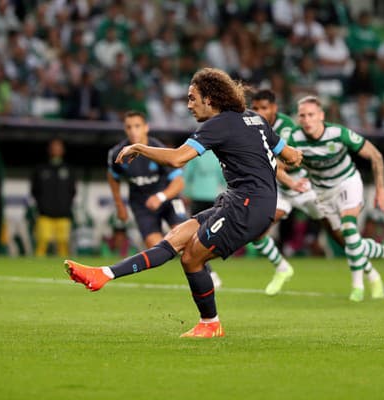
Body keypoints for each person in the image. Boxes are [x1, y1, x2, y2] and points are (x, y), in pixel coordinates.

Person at [65, 68, 302, 338]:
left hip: (248, 206)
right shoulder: (255, 119)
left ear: (210, 99)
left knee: (191, 258)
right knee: (174, 238)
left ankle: (210, 324)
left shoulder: (218, 124)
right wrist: (299, 157)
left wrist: (140, 147)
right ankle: (103, 274)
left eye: (192, 98)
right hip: (242, 201)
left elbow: (178, 158)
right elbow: (292, 156)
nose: (189, 105)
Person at [289, 96, 384, 302]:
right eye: (302, 115)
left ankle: (357, 286)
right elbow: (281, 162)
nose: (306, 119)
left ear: (321, 116)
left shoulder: (338, 134)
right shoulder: (294, 138)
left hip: (346, 183)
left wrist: (381, 190)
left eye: (311, 114)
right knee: (350, 242)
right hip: (321, 192)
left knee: (349, 229)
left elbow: (375, 155)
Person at [107, 110, 222, 288]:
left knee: (186, 236)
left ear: (146, 128)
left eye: (137, 126)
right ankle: (192, 267)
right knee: (155, 245)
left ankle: (208, 272)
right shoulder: (117, 153)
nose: (133, 131)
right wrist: (119, 204)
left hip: (168, 200)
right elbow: (112, 176)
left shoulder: (158, 150)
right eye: (129, 127)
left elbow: (178, 182)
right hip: (142, 205)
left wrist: (160, 197)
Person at [249, 89, 327, 295]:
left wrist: (291, 181)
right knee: (256, 231)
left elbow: (284, 161)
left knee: (337, 228)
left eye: (263, 108)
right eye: (254, 108)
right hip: (281, 190)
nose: (258, 112)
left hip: (303, 186)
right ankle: (282, 268)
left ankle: (373, 265)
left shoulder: (287, 127)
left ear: (274, 108)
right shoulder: (251, 126)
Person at [31, 138, 76, 257]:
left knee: (63, 246)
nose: (56, 150)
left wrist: (65, 206)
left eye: (58, 147)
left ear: (63, 150)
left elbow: (72, 191)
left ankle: (63, 273)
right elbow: (35, 191)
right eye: (54, 147)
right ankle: (35, 272)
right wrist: (43, 206)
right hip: (45, 215)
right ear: (49, 149)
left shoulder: (68, 170)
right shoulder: (41, 169)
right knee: (42, 244)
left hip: (63, 215)